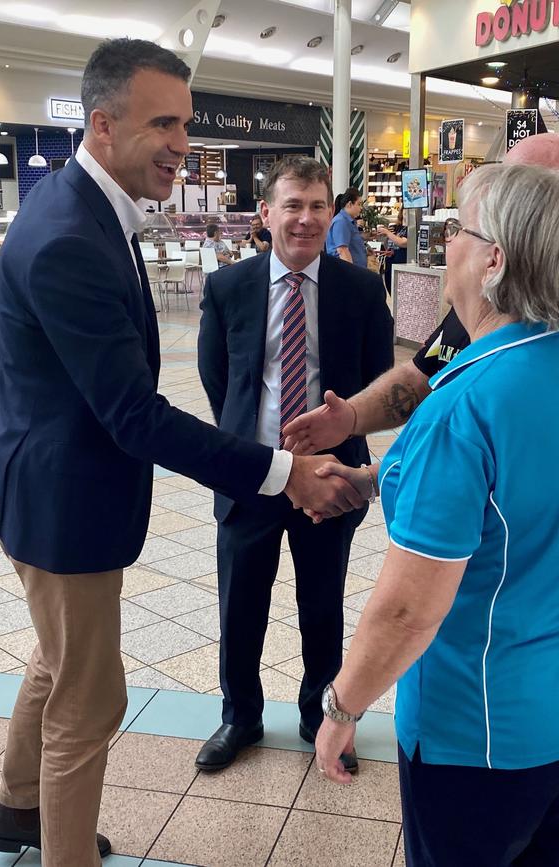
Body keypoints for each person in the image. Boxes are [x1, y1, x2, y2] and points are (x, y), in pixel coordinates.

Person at [0, 39, 363, 867]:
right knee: (91, 697)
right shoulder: (73, 234)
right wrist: (282, 469)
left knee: (55, 658)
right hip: (62, 503)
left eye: (186, 122)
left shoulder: (88, 210)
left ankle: (14, 812)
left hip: (47, 489)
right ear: (103, 125)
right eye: (164, 123)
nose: (183, 143)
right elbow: (135, 416)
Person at [313, 162, 559, 866]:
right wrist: (382, 476)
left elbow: (407, 612)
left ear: (494, 259)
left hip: (480, 735)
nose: (447, 246)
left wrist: (342, 708)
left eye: (457, 231)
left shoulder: (467, 404)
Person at [195, 156, 393, 773]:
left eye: (317, 206)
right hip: (252, 474)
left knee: (322, 602)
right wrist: (251, 447)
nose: (306, 219)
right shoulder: (229, 286)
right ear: (266, 214)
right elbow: (217, 377)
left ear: (330, 212)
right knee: (241, 603)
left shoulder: (359, 290)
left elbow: (377, 383)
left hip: (331, 479)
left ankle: (318, 713)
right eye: (293, 205)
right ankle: (240, 716)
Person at [283, 132, 559, 455]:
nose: (452, 241)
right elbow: (421, 373)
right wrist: (352, 422)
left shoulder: (455, 412)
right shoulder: (485, 307)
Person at [325, 187, 367, 268]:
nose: (361, 208)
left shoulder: (349, 222)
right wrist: (351, 273)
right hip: (343, 272)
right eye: (359, 204)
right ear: (350, 204)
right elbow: (342, 250)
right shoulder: (341, 222)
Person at [377, 208, 407, 295]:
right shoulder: (395, 227)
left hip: (401, 265)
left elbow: (403, 242)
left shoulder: (412, 229)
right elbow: (388, 244)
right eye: (405, 210)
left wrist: (387, 233)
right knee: (391, 289)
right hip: (390, 264)